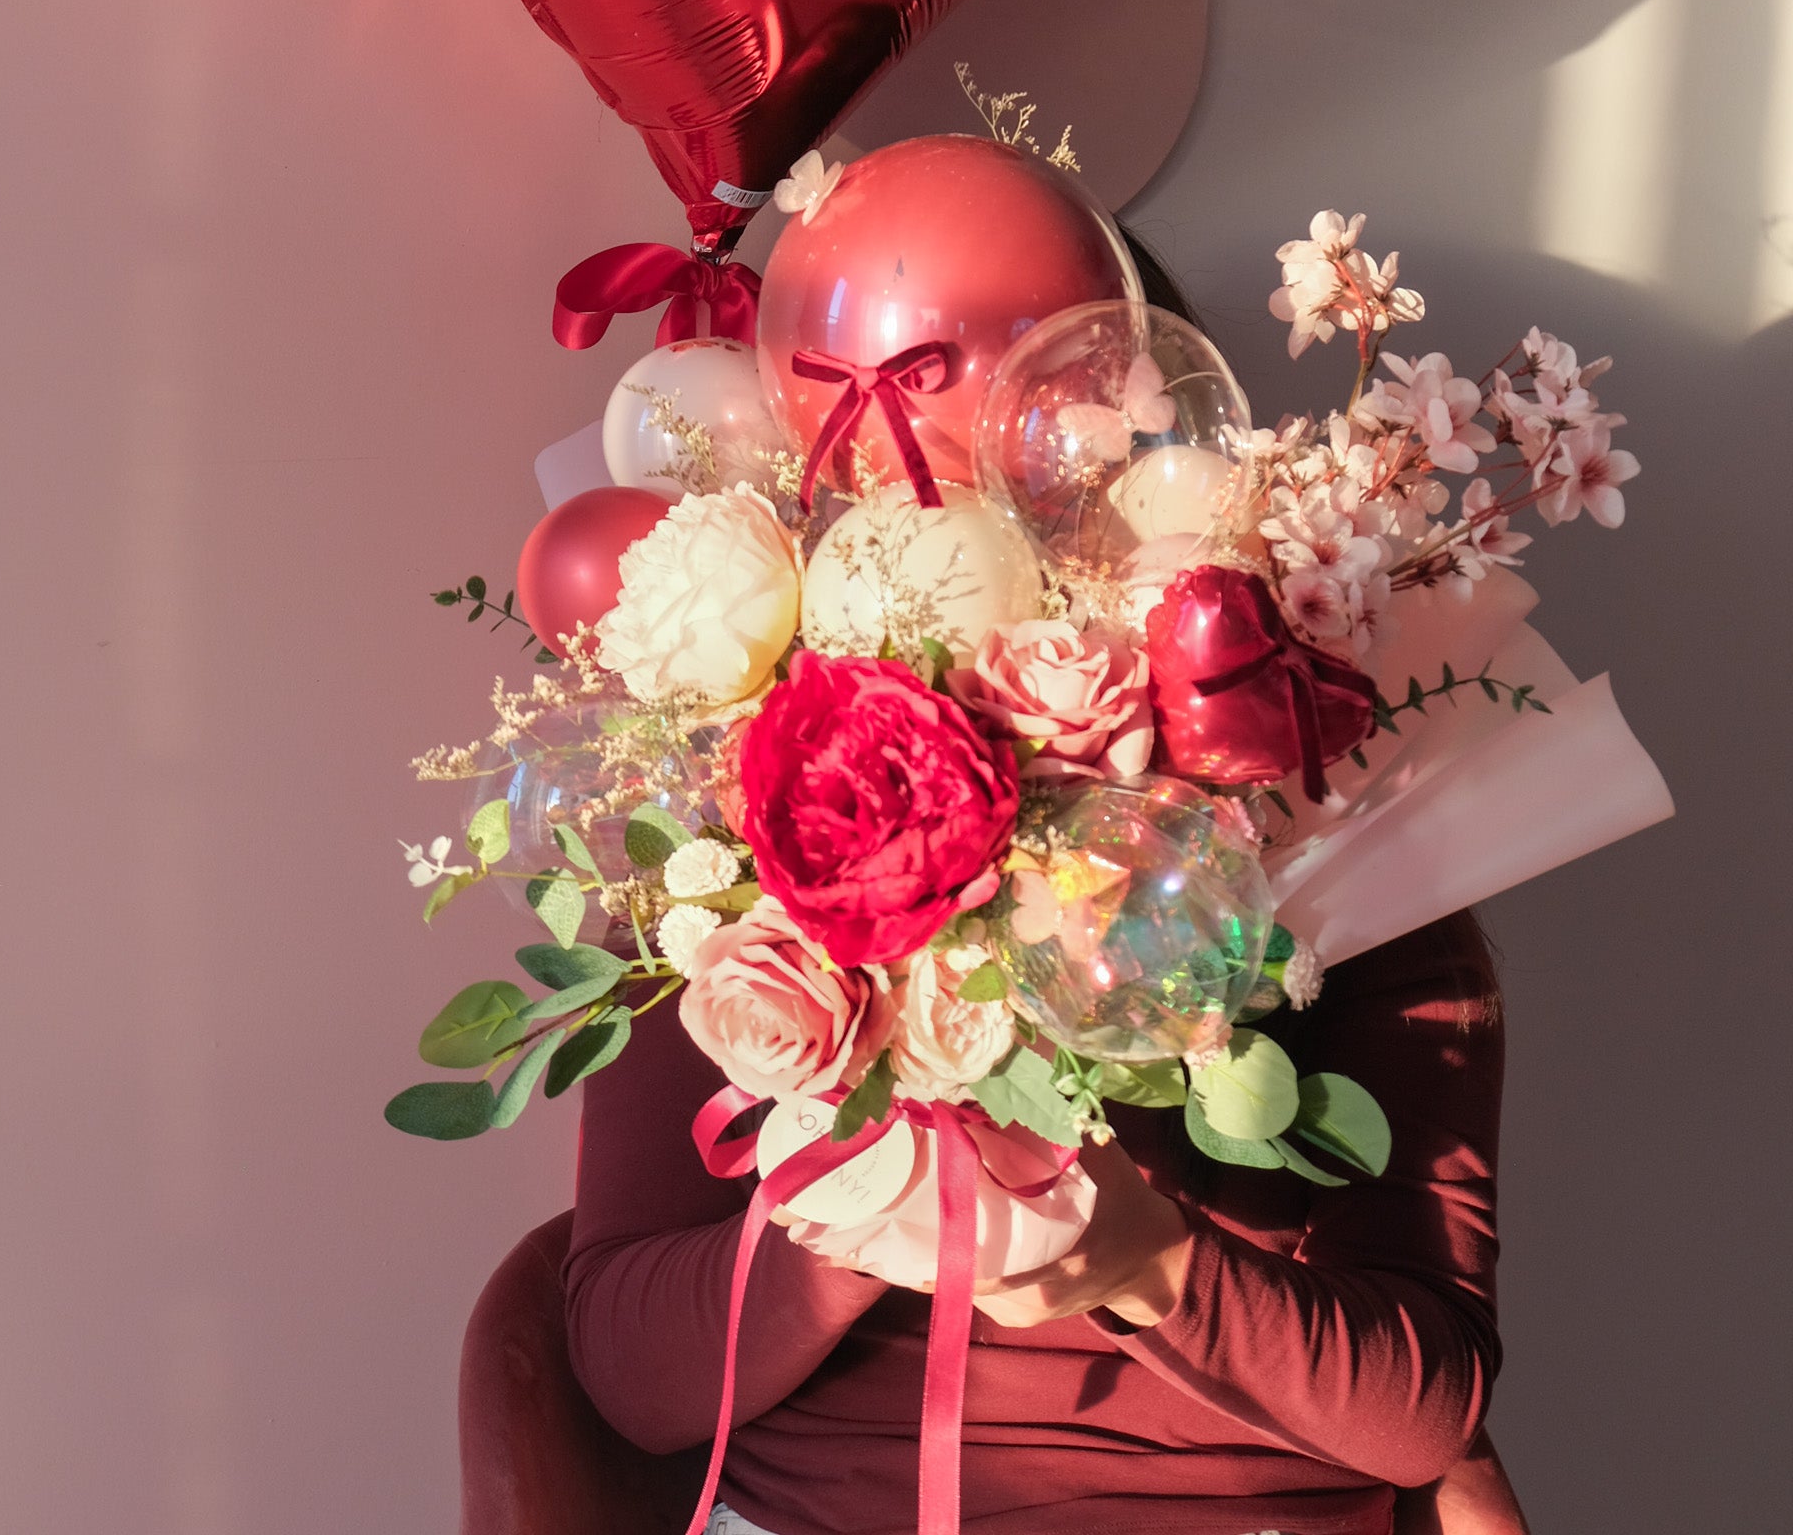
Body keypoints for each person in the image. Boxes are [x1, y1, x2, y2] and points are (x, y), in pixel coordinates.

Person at [563, 236, 1532, 1535]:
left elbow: (1423, 1412)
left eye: (1067, 488)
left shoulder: (1364, 887)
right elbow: (628, 1382)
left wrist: (1147, 1264)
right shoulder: (737, 875)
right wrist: (868, 1189)